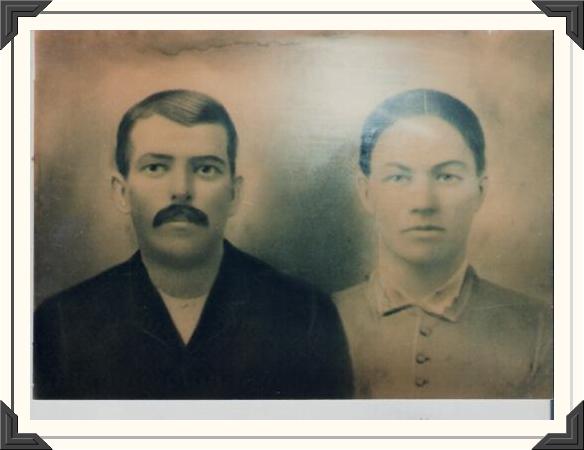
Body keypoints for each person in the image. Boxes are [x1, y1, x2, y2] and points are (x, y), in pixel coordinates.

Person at [34, 89, 352, 399]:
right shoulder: (62, 323)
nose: (182, 190)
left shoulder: (306, 315)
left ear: (233, 194)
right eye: (156, 167)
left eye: (205, 169)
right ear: (122, 192)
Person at [335, 89, 552, 398]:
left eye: (447, 176)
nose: (423, 203)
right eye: (398, 177)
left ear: (480, 191)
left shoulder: (543, 330)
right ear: (366, 193)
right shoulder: (320, 320)